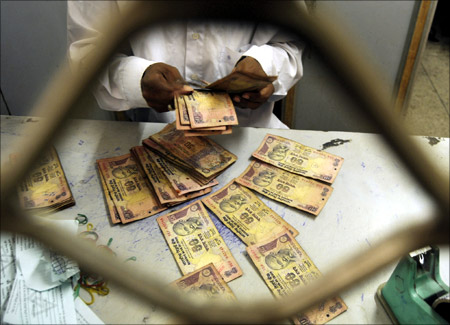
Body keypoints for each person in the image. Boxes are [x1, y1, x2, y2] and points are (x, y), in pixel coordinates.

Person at [67, 1, 305, 129]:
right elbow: (89, 51)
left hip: (251, 135)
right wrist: (134, 78)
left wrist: (266, 65)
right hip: (155, 136)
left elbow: (291, 44)